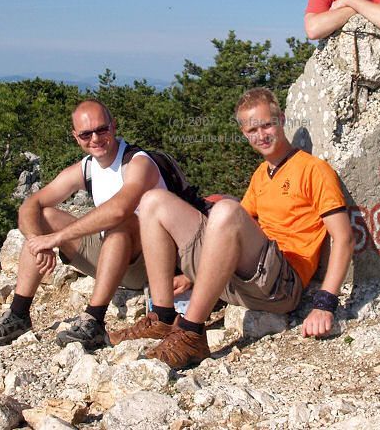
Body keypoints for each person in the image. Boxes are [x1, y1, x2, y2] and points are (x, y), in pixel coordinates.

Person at [110, 88, 354, 369]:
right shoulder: (262, 174)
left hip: (281, 285)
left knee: (226, 208)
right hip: (244, 280)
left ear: (282, 120)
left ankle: (190, 331)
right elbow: (233, 232)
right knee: (153, 200)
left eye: (267, 125)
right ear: (244, 133)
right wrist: (193, 277)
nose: (261, 135)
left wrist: (325, 304)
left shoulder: (313, 169)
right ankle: (163, 318)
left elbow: (343, 238)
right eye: (252, 129)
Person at [0, 99, 166, 350]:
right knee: (44, 217)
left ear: (114, 126)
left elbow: (119, 209)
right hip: (111, 254)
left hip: (150, 264)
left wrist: (55, 239)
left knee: (122, 222)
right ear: (76, 137)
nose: (95, 138)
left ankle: (94, 320)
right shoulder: (87, 168)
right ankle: (19, 313)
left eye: (102, 130)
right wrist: (38, 241)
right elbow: (30, 205)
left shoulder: (138, 162)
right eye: (86, 134)